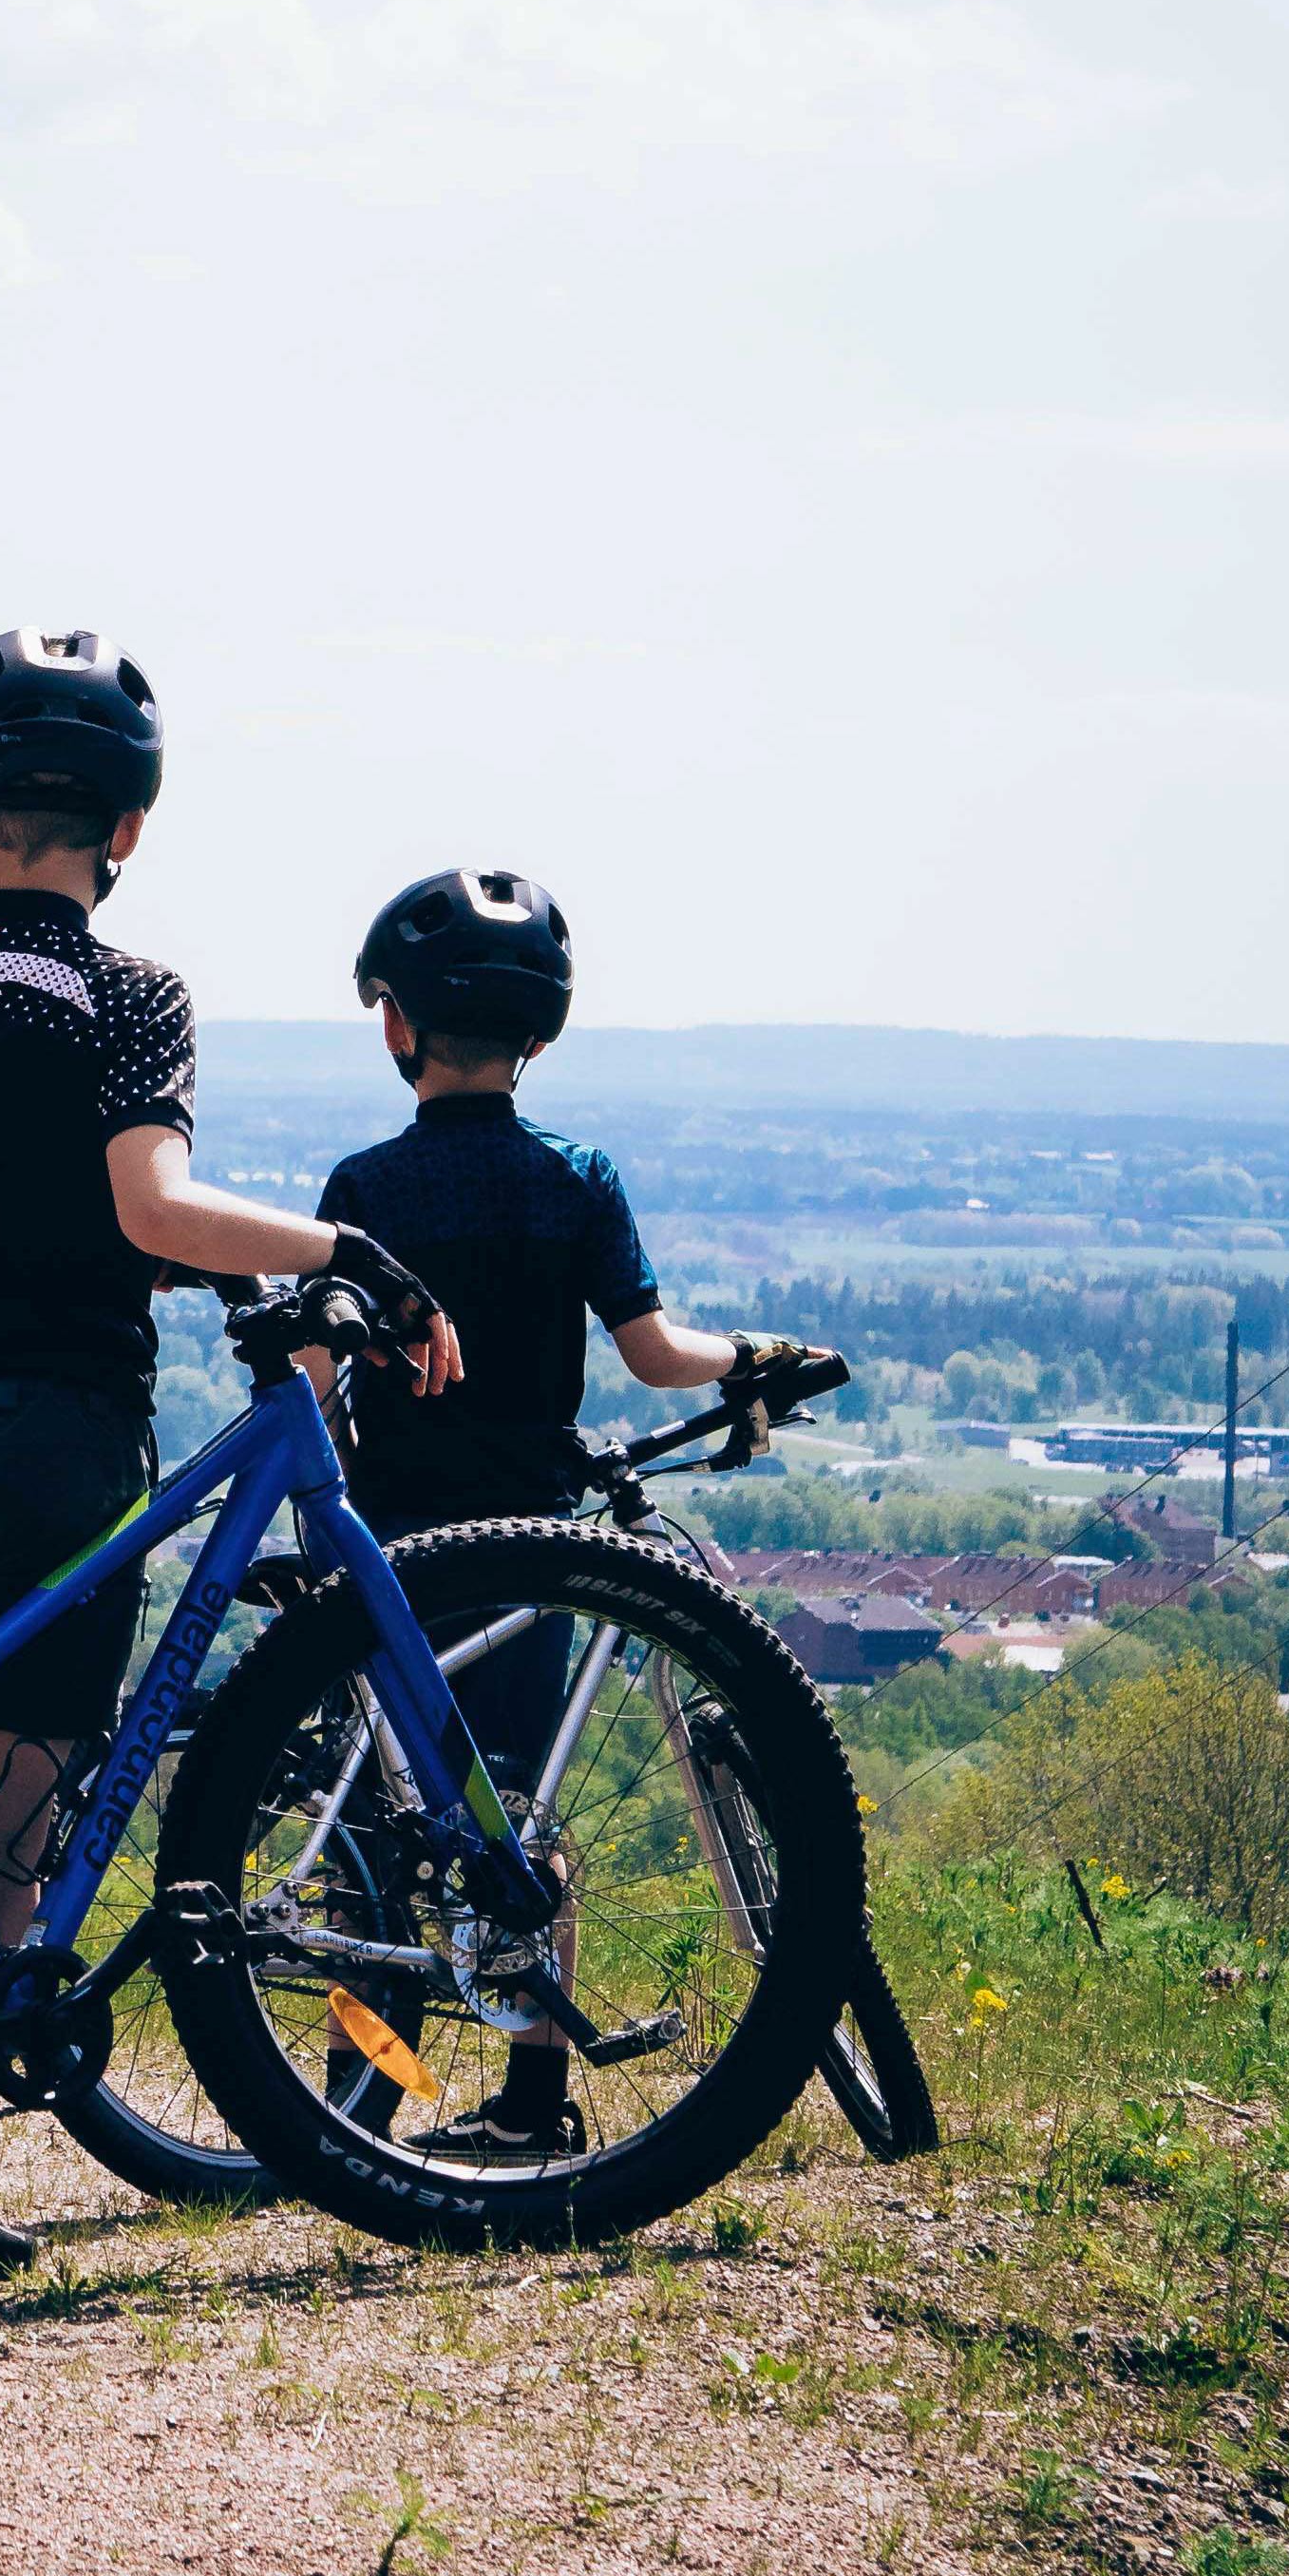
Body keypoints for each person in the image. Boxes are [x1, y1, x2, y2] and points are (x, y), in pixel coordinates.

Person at [0, 627, 459, 2300]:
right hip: (56, 1432)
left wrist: (224, 1268)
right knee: (10, 1834)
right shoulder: (128, 993)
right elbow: (137, 1210)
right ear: (129, 827)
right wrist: (346, 1250)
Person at [317, 866, 821, 2157]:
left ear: (397, 1026)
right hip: (543, 1548)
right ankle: (534, 2103)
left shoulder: (366, 1187)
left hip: (400, 1549)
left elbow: (315, 1384)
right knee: (523, 1820)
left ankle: (356, 2101)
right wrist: (753, 1349)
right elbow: (654, 1352)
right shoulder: (578, 1178)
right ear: (539, 1035)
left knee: (375, 1822)